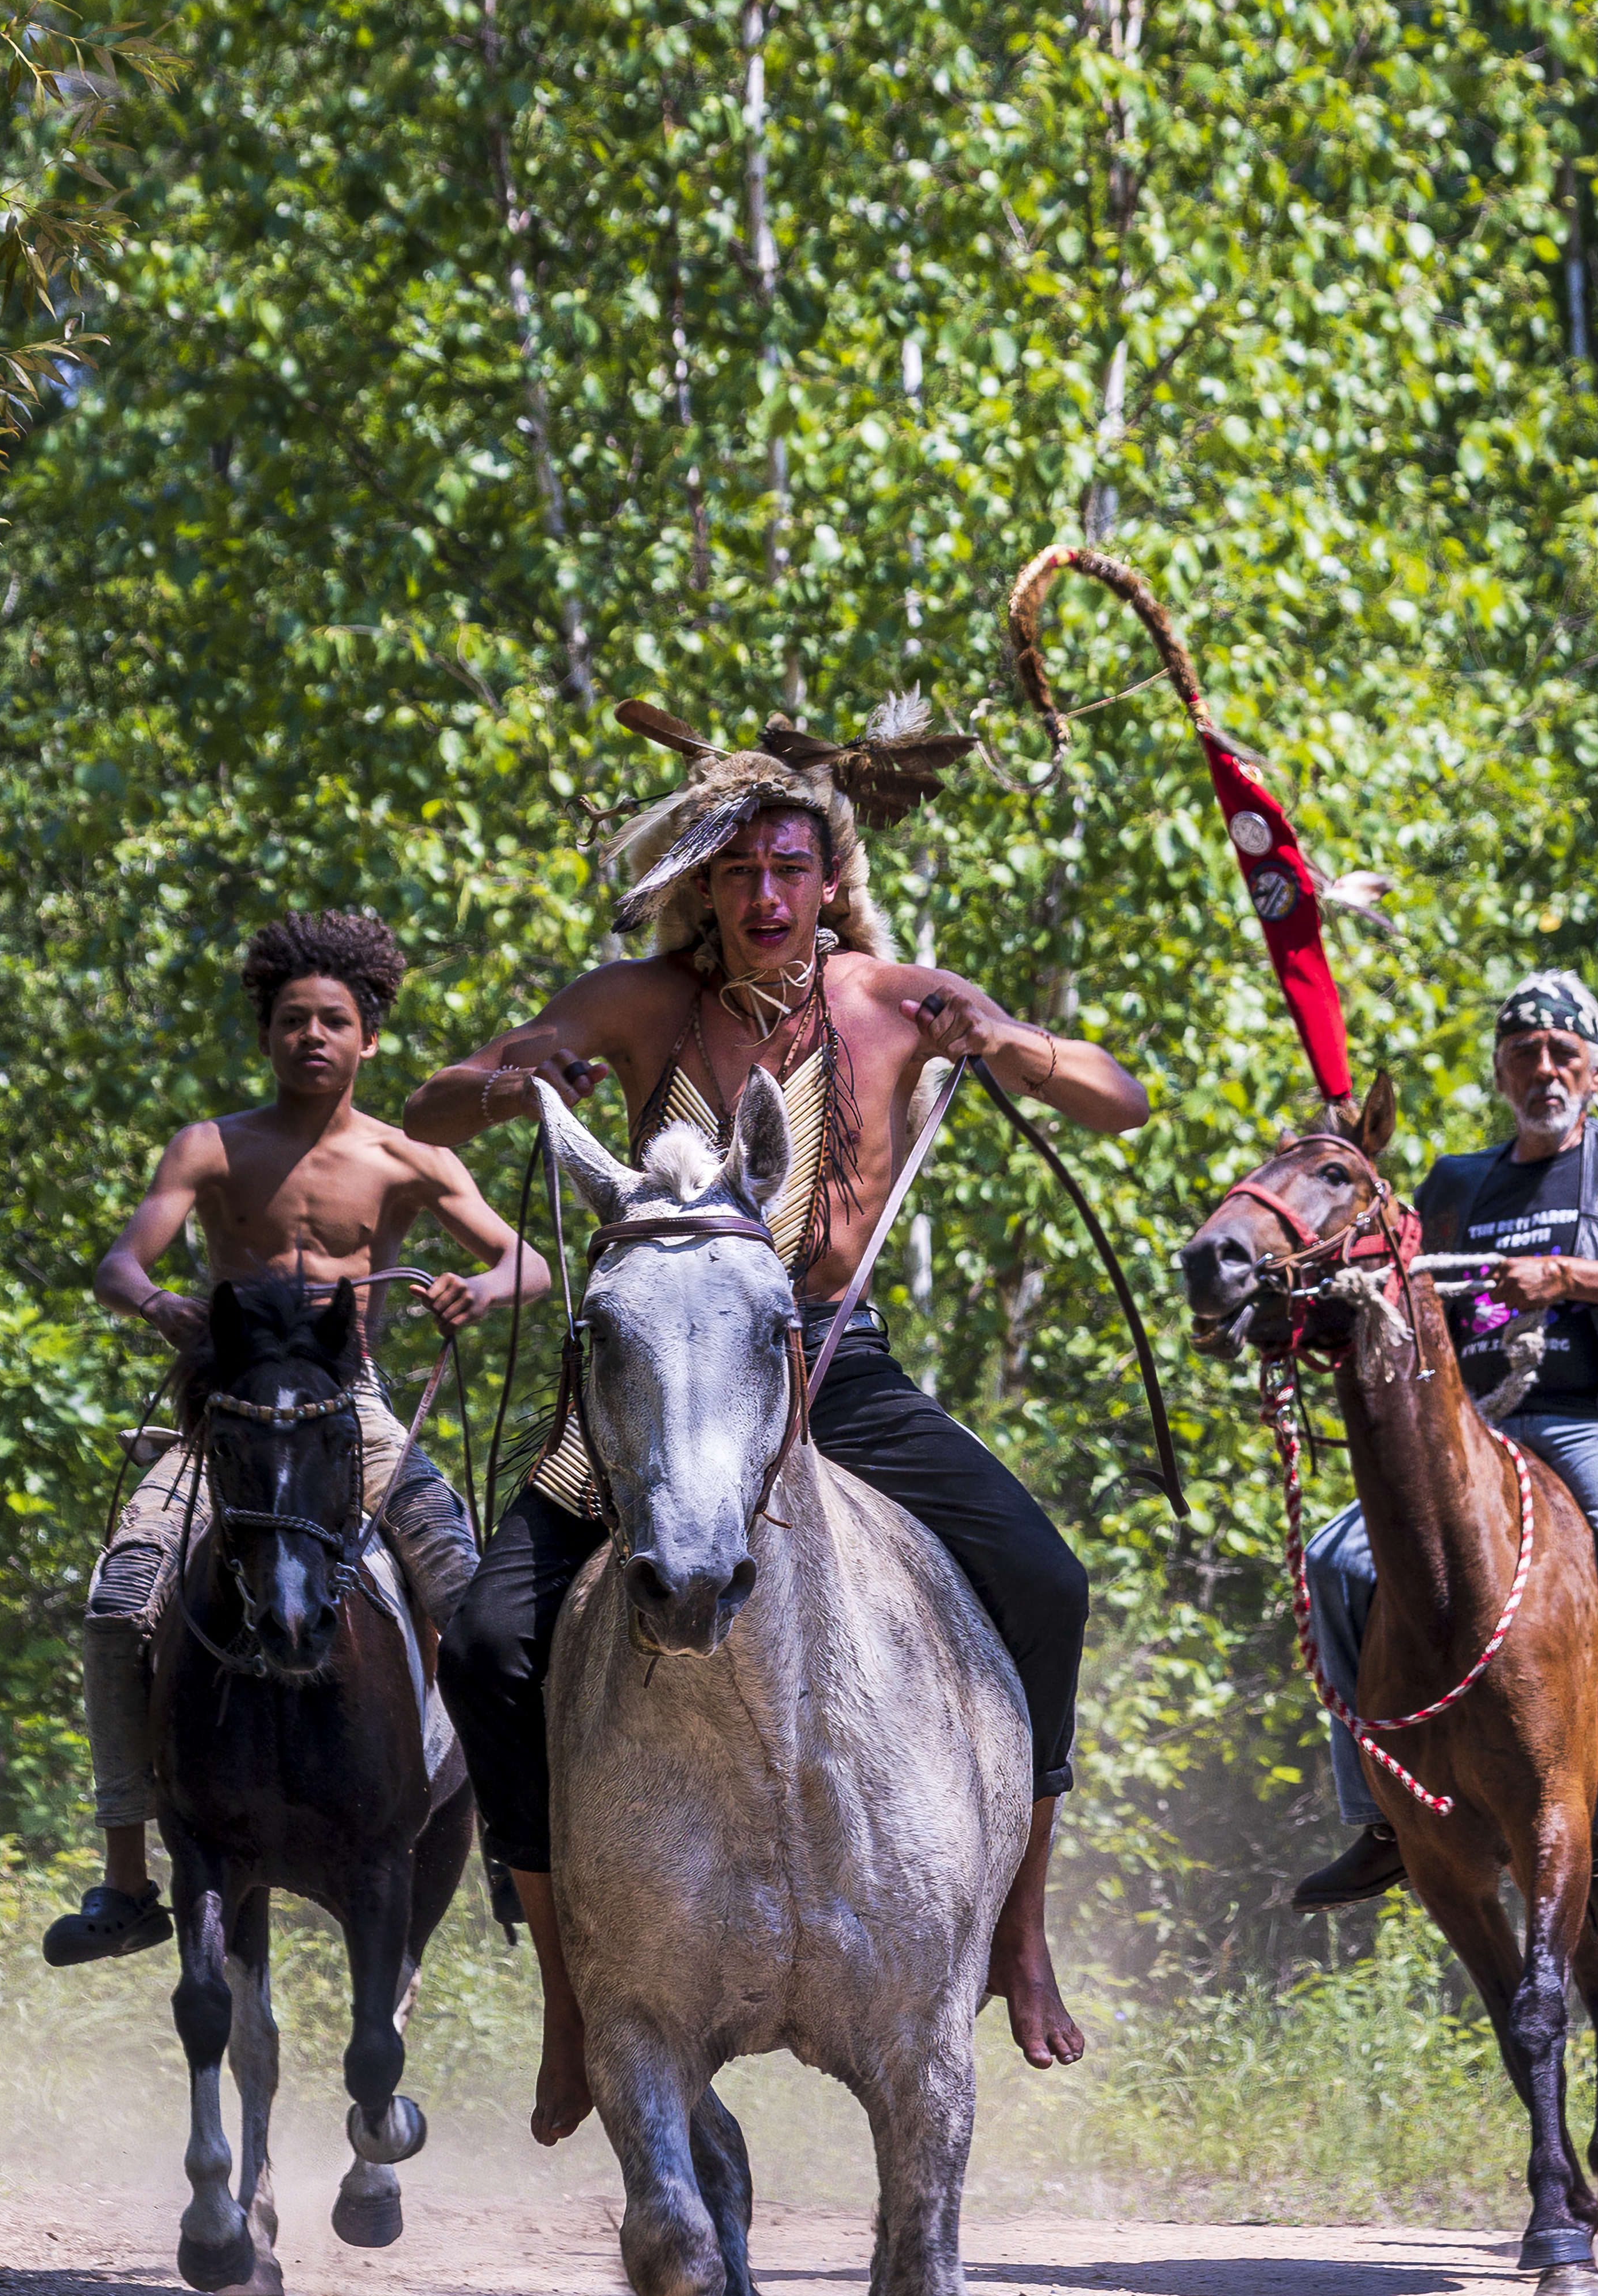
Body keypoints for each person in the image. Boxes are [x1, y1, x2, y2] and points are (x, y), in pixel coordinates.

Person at [406, 701, 1149, 2139]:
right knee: (488, 1637)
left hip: (832, 1367)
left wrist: (1008, 1041)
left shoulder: (888, 1001)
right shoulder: (632, 1002)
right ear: (705, 885)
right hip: (657, 1380)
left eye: (791, 869)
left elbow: (1118, 1098)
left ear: (828, 880)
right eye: (739, 871)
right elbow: (436, 1107)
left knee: (1047, 1581)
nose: (765, 897)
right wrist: (523, 1078)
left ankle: (1019, 1926)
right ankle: (572, 2002)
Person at [54, 911, 542, 1968]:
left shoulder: (406, 1157)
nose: (311, 1037)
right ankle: (130, 1879)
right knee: (119, 1598)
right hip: (226, 1415)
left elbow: (529, 1261)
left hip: (352, 1411)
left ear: (368, 1038)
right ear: (265, 1035)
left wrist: (479, 1288)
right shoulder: (211, 1146)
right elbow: (119, 1264)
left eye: (333, 1021)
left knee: (467, 1601)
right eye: (290, 1020)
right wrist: (161, 1308)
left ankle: (516, 1837)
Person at [1288, 972, 1598, 1956]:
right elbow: (1391, 1277)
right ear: (1500, 1071)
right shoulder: (1457, 1186)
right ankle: (1378, 1819)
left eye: (1564, 1050)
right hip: (1479, 1436)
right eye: (1525, 1051)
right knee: (1337, 1562)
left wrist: (1570, 1276)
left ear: (1597, 1066)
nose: (1546, 1067)